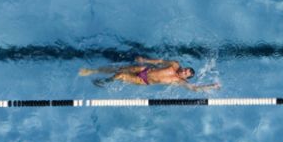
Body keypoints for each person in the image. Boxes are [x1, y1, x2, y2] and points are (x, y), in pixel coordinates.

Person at [79, 56, 219, 92]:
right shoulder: (175, 64)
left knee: (120, 75)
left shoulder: (179, 81)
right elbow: (159, 61)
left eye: (185, 73)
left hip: (144, 81)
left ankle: (104, 82)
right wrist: (145, 60)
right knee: (119, 68)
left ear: (186, 77)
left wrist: (212, 86)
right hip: (144, 70)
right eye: (185, 69)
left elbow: (195, 89)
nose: (183, 71)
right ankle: (92, 71)